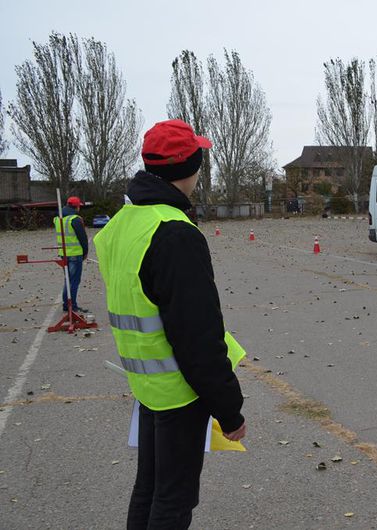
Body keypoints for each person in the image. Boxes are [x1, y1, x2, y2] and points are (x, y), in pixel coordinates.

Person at [94, 119, 247, 529]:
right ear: (192, 166)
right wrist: (230, 410)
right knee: (174, 500)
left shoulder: (121, 224)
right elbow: (198, 336)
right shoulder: (174, 232)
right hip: (179, 391)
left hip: (146, 384)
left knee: (150, 488)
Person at [54, 195, 89, 312]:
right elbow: (83, 238)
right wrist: (85, 252)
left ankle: (66, 304)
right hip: (75, 255)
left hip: (63, 254)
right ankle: (72, 305)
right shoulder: (75, 219)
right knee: (74, 281)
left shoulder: (57, 219)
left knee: (68, 280)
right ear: (77, 207)